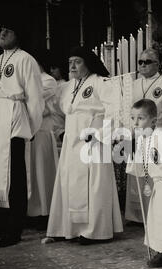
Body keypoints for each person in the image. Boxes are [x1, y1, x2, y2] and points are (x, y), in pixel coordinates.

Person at [43, 46, 123, 245]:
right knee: (68, 182)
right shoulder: (69, 86)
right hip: (72, 141)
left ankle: (94, 231)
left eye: (77, 62)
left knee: (93, 185)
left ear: (88, 62)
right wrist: (60, 131)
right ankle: (67, 228)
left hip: (92, 140)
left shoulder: (101, 82)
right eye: (70, 62)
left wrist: (100, 134)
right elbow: (61, 112)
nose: (72, 66)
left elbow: (114, 110)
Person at [0, 22, 44, 247]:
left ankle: (15, 228)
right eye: (1, 30)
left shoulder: (25, 59)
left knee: (15, 174)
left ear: (19, 35)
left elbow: (35, 97)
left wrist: (32, 127)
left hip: (15, 119)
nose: (2, 33)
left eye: (8, 30)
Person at [126, 99, 162, 267]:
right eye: (133, 118)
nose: (136, 123)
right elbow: (138, 166)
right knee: (158, 219)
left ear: (153, 120)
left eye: (140, 118)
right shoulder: (143, 138)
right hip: (158, 185)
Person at [125, 48, 162, 225]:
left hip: (156, 134)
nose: (143, 65)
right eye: (140, 62)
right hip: (137, 133)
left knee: (153, 172)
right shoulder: (134, 85)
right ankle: (136, 215)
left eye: (147, 62)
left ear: (157, 64)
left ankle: (153, 211)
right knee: (136, 172)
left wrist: (161, 133)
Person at [27, 59, 63, 229]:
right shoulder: (28, 79)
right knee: (31, 172)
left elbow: (33, 101)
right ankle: (31, 211)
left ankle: (45, 211)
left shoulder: (47, 80)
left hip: (42, 129)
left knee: (43, 172)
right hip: (27, 130)